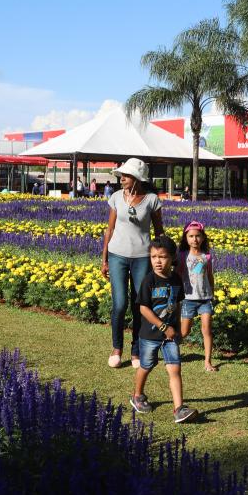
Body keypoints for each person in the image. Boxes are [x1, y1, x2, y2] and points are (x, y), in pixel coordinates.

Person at [102, 158, 165, 369]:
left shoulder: (152, 200)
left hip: (142, 258)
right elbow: (108, 230)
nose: (122, 179)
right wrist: (104, 260)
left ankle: (136, 350)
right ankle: (117, 348)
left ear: (137, 179)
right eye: (122, 175)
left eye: (126, 176)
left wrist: (161, 259)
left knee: (141, 305)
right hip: (117, 255)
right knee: (120, 304)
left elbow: (159, 233)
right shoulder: (116, 198)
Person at [129, 236, 199, 423]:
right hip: (150, 335)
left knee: (175, 369)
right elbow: (143, 308)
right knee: (147, 366)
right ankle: (137, 395)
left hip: (170, 336)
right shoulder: (149, 281)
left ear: (173, 258)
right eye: (153, 257)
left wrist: (177, 330)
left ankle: (179, 409)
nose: (158, 261)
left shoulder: (176, 279)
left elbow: (176, 305)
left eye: (162, 257)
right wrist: (163, 326)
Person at [177, 221, 217, 372]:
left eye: (198, 236)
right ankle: (170, 349)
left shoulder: (206, 256)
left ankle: (208, 361)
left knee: (207, 329)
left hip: (205, 299)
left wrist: (212, 292)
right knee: (184, 331)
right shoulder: (181, 256)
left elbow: (210, 275)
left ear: (203, 238)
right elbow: (177, 275)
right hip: (188, 299)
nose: (195, 239)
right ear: (186, 238)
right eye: (191, 236)